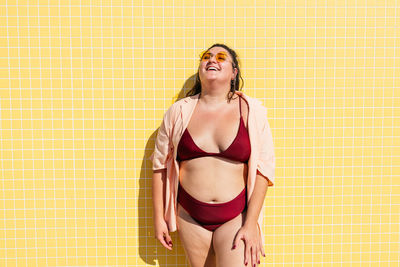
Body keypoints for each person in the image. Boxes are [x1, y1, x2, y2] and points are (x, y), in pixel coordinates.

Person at [150, 43, 275, 267]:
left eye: (221, 57)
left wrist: (252, 223)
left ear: (234, 72)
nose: (212, 60)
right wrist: (159, 218)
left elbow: (264, 170)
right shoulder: (178, 111)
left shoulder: (252, 111)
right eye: (206, 56)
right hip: (190, 214)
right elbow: (159, 165)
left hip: (236, 215)